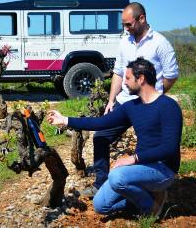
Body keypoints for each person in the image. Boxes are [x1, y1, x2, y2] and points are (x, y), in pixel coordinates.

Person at [47, 57, 182, 217]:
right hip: (140, 168)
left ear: (141, 79)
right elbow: (101, 123)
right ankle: (145, 196)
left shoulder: (168, 106)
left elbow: (170, 147)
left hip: (162, 170)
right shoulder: (132, 107)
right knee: (100, 205)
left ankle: (151, 206)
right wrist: (65, 120)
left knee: (117, 176)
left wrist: (134, 159)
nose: (124, 82)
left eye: (128, 78)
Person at [84, 2, 179, 198]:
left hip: (147, 105)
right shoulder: (124, 42)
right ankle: (101, 184)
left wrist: (154, 97)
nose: (126, 29)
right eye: (124, 25)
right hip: (124, 103)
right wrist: (111, 101)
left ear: (141, 19)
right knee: (100, 137)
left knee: (150, 146)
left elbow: (171, 75)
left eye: (128, 24)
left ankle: (154, 185)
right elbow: (119, 73)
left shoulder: (161, 43)